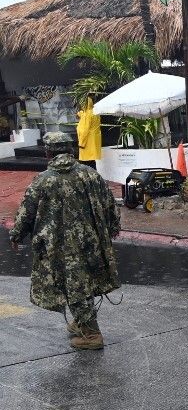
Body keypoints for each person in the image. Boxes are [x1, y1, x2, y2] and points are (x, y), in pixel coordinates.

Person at [8, 131, 120, 350]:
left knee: (73, 284)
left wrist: (17, 235)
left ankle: (91, 334)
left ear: (48, 153)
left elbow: (26, 213)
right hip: (90, 241)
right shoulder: (90, 175)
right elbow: (110, 205)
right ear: (71, 150)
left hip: (57, 246)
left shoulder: (42, 181)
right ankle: (82, 322)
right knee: (83, 282)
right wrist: (113, 229)